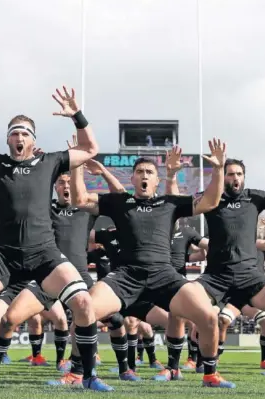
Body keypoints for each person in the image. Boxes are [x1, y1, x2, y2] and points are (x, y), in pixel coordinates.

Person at [0, 87, 107, 391]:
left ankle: (88, 376)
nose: (19, 138)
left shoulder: (50, 162)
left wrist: (77, 116)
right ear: (8, 140)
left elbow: (90, 148)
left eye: (25, 133)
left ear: (33, 140)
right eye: (15, 133)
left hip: (44, 254)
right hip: (4, 255)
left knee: (83, 303)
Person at [71, 137, 237, 389]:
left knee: (208, 317)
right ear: (133, 179)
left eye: (149, 172)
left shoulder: (169, 203)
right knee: (85, 308)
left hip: (164, 275)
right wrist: (76, 165)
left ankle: (210, 375)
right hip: (126, 276)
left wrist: (217, 169)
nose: (144, 176)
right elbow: (79, 200)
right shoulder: (120, 202)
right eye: (139, 172)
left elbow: (209, 202)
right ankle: (83, 374)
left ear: (157, 181)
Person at [167, 143, 265, 384]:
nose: (235, 178)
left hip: (251, 276)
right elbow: (176, 203)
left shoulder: (255, 197)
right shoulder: (211, 198)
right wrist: (171, 175)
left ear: (244, 177)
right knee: (179, 305)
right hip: (216, 276)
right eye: (230, 173)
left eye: (239, 174)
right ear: (222, 176)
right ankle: (203, 372)